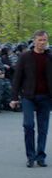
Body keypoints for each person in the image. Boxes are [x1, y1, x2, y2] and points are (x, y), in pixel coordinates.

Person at [10, 30, 52, 168]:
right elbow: (17, 78)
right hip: (28, 96)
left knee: (43, 128)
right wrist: (14, 98)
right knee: (28, 125)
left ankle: (40, 156)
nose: (42, 43)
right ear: (34, 41)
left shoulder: (49, 57)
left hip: (45, 97)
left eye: (44, 40)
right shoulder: (25, 56)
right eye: (40, 40)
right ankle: (30, 156)